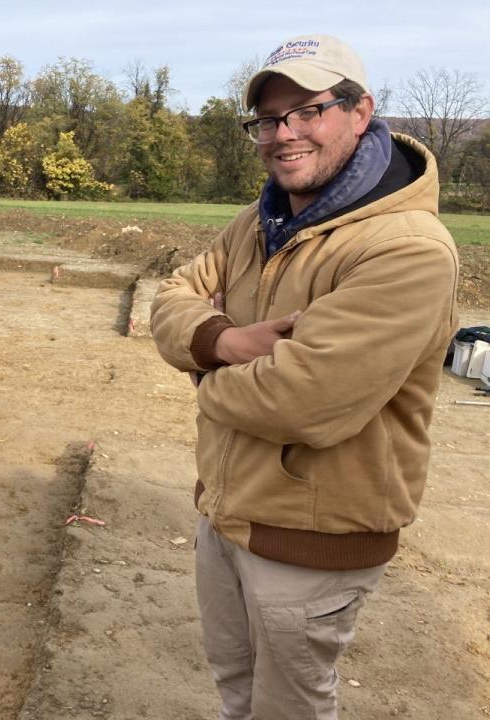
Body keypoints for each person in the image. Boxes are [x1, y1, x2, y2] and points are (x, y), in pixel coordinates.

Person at [150, 34, 458, 720]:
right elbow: (170, 299)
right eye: (267, 119)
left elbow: (303, 404)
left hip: (311, 543)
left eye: (307, 110)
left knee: (289, 707)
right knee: (236, 685)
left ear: (360, 110)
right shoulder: (260, 220)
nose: (283, 134)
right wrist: (226, 341)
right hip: (226, 510)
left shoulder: (406, 249)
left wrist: (202, 372)